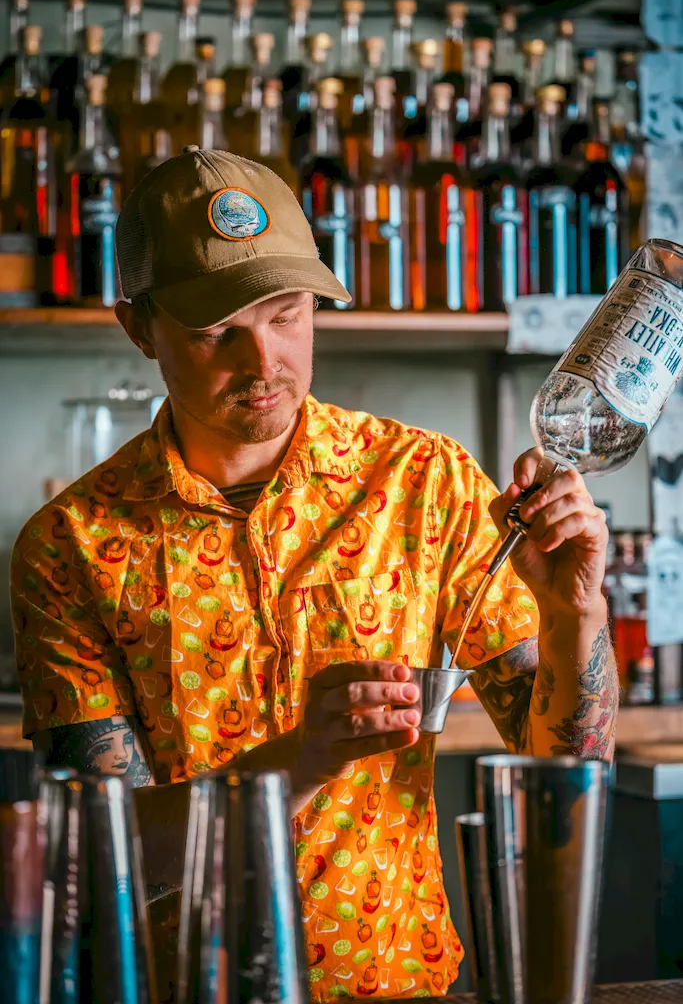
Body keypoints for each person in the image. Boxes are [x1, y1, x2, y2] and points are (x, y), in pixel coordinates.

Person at [11, 146, 618, 1001]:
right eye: (215, 332)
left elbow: (567, 770)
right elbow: (96, 849)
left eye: (288, 313)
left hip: (400, 986)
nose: (264, 363)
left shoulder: (423, 483)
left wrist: (573, 618)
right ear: (138, 328)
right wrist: (298, 762)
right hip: (179, 986)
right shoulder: (71, 542)